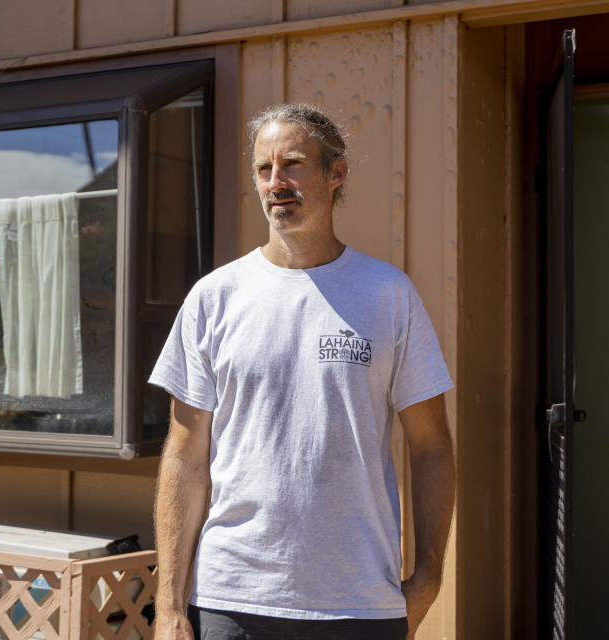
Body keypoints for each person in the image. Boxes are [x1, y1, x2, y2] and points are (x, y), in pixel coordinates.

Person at [149, 103, 456, 640]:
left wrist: (429, 577)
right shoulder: (214, 297)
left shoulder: (387, 295)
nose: (276, 183)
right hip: (232, 597)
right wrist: (169, 601)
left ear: (335, 173)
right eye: (263, 170)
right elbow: (185, 454)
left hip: (359, 599)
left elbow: (431, 445)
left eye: (292, 164)